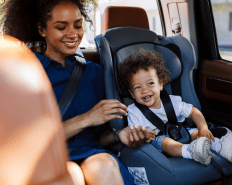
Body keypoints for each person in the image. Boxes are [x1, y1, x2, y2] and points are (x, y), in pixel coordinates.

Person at [1, 0, 157, 185]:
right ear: (42, 29)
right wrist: (88, 118)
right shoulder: (25, 71)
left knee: (102, 166)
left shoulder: (94, 72)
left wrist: (119, 136)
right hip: (45, 158)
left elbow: (100, 136)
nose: (73, 34)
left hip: (92, 153)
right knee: (71, 176)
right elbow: (24, 142)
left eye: (77, 25)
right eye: (61, 27)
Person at [117, 50, 232, 166]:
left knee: (197, 133)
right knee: (166, 142)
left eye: (150, 83)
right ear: (132, 94)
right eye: (138, 87)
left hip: (179, 132)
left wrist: (203, 128)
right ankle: (192, 152)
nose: (145, 90)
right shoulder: (133, 112)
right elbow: (135, 136)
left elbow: (194, 112)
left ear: (161, 84)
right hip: (155, 143)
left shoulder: (172, 101)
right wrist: (144, 136)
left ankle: (223, 148)